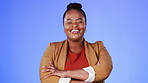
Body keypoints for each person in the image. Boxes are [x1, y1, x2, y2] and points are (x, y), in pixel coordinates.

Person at [40, 3, 113, 83]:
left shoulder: (98, 47)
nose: (74, 25)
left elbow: (105, 70)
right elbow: (45, 78)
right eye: (69, 22)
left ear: (85, 26)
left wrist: (65, 73)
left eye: (79, 21)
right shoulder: (52, 48)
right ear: (64, 27)